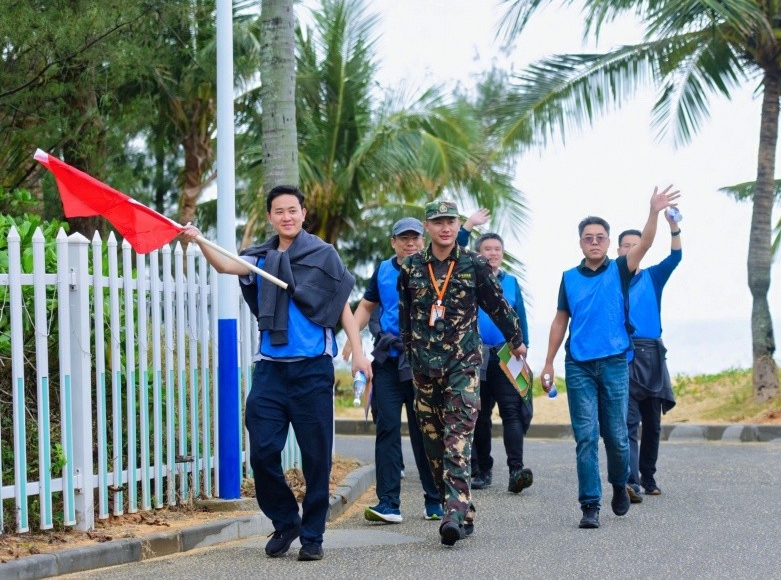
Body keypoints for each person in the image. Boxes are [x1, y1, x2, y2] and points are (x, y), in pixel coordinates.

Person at [181, 185, 368, 562]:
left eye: (292, 210)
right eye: (279, 211)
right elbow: (226, 265)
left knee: (316, 458)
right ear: (270, 217)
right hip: (269, 370)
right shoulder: (261, 258)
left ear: (303, 214)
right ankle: (285, 521)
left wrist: (358, 352)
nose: (287, 216)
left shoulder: (323, 255)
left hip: (312, 370)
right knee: (263, 452)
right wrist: (199, 239)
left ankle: (312, 535)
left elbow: (341, 305)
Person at [540, 186, 679, 530]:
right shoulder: (569, 278)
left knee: (616, 435)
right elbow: (560, 320)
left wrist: (653, 212)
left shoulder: (620, 269)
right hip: (579, 365)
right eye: (588, 238)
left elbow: (646, 243)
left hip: (616, 362)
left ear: (607, 242)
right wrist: (548, 362)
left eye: (600, 237)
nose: (594, 242)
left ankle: (619, 483)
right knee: (586, 436)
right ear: (580, 243)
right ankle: (590, 504)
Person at [398, 200, 527, 546]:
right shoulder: (411, 267)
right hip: (425, 369)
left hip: (463, 365)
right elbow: (406, 317)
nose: (445, 227)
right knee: (433, 445)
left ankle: (453, 516)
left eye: (451, 221)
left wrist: (516, 340)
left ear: (458, 225)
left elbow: (498, 306)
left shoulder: (474, 263)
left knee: (457, 439)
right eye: (438, 221)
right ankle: (460, 508)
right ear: (427, 226)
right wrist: (411, 358)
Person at [346, 218, 443, 523]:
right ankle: (388, 503)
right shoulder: (383, 271)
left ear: (423, 241)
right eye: (403, 239)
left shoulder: (435, 269)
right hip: (388, 360)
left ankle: (435, 500)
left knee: (424, 431)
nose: (410, 243)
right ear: (394, 242)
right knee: (386, 428)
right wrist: (353, 343)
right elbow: (366, 306)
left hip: (422, 362)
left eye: (415, 238)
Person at [455, 213, 533, 494]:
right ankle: (482, 470)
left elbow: (520, 316)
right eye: (487, 249)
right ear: (478, 253)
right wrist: (468, 226)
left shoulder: (511, 282)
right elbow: (455, 249)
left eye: (497, 249)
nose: (493, 253)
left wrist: (524, 345)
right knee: (479, 415)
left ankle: (516, 470)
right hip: (474, 354)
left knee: (512, 412)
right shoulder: (468, 277)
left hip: (506, 354)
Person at [617, 207, 681, 503]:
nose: (632, 249)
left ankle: (648, 476)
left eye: (636, 244)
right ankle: (631, 481)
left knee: (652, 424)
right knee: (629, 423)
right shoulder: (612, 278)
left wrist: (674, 227)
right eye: (626, 245)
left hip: (653, 355)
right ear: (619, 250)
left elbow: (676, 257)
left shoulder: (653, 277)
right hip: (624, 355)